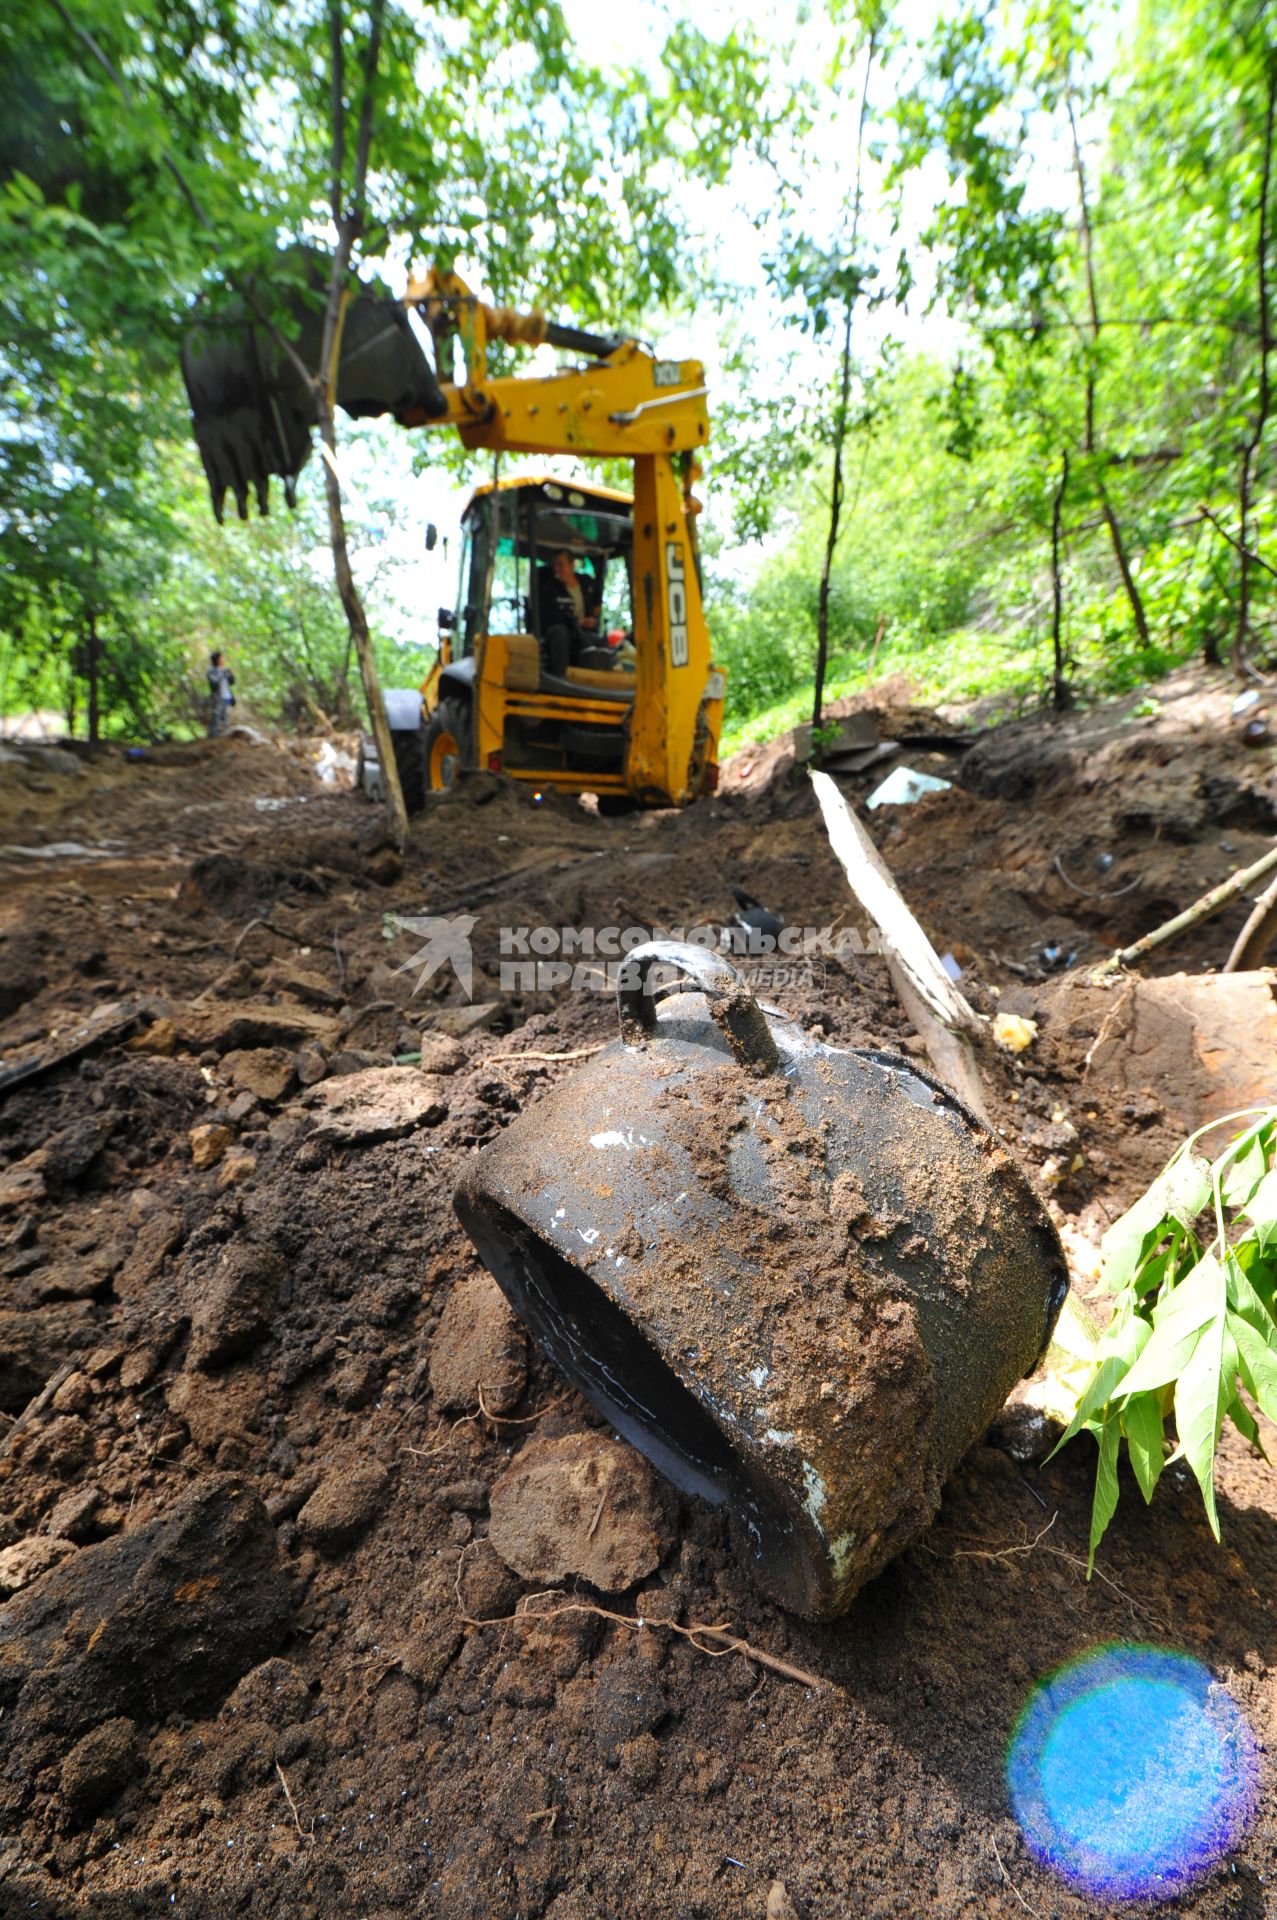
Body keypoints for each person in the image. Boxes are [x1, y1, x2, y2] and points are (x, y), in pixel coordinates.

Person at [535, 549, 599, 674]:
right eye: (555, 566)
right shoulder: (550, 588)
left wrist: (594, 615)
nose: (556, 569)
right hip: (562, 631)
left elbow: (596, 604)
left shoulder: (587, 583)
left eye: (560, 565)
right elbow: (549, 616)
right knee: (559, 632)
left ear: (571, 565)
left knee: (599, 640)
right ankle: (561, 677)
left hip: (583, 633)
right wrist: (578, 622)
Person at [206, 650, 235, 736]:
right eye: (222, 658)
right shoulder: (211, 670)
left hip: (227, 696)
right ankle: (213, 737)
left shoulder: (225, 669)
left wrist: (229, 673)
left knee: (226, 717)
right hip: (217, 698)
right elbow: (214, 682)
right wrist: (222, 673)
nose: (223, 659)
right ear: (217, 659)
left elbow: (231, 682)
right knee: (216, 718)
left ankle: (224, 737)